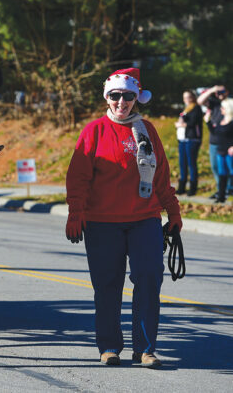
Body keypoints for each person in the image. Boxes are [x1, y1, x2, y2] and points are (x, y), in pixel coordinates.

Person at [65, 68, 182, 368]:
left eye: (128, 96)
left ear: (136, 98)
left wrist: (173, 210)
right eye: (115, 96)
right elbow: (78, 177)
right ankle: (109, 347)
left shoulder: (147, 130)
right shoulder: (93, 131)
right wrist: (75, 211)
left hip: (144, 219)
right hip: (102, 222)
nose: (121, 102)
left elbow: (161, 176)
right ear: (107, 97)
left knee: (149, 278)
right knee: (107, 285)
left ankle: (145, 349)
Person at [197, 85, 233, 197]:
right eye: (218, 92)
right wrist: (212, 90)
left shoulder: (230, 103)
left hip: (228, 143)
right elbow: (200, 101)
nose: (219, 94)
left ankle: (229, 189)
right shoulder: (215, 104)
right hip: (214, 142)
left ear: (227, 91)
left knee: (229, 168)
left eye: (222, 91)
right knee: (216, 167)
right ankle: (221, 189)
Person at [174, 90, 203, 195]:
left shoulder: (196, 108)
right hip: (182, 139)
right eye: (184, 97)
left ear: (193, 97)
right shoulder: (186, 108)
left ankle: (193, 188)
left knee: (191, 164)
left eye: (188, 97)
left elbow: (192, 123)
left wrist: (181, 124)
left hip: (192, 139)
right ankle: (182, 187)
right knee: (182, 164)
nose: (186, 99)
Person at [206, 98, 233, 203]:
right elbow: (215, 132)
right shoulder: (221, 121)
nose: (221, 109)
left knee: (232, 172)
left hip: (230, 152)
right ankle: (221, 197)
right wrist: (208, 121)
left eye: (223, 107)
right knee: (222, 174)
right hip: (220, 151)